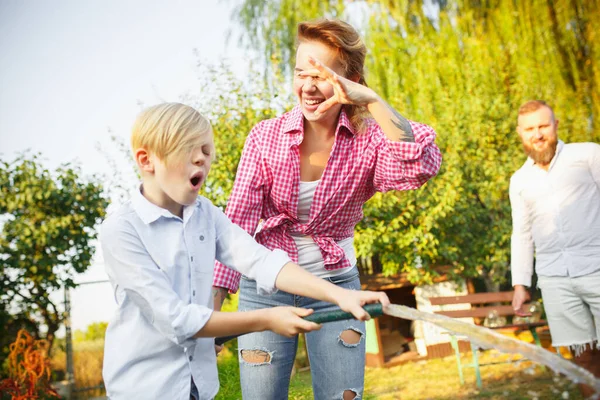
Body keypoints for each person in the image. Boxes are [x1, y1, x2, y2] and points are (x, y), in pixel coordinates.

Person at [212, 19, 441, 399]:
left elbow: (418, 166)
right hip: (265, 289)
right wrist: (214, 312)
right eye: (301, 72)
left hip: (337, 286)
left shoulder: (368, 141)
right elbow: (235, 226)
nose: (308, 85)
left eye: (321, 75)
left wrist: (371, 100)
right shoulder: (265, 137)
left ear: (349, 80)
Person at [99, 102, 390, 400]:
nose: (201, 158)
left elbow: (260, 260)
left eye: (206, 150)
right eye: (188, 148)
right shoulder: (122, 230)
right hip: (145, 389)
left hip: (198, 386)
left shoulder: (204, 214)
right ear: (147, 160)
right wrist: (266, 318)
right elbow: (177, 319)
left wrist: (342, 295)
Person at [510, 100, 600, 397]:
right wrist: (521, 284)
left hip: (597, 267)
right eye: (530, 129)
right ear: (520, 133)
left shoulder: (587, 155)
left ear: (556, 125)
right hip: (555, 279)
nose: (538, 134)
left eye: (543, 126)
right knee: (581, 353)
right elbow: (522, 233)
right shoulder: (519, 181)